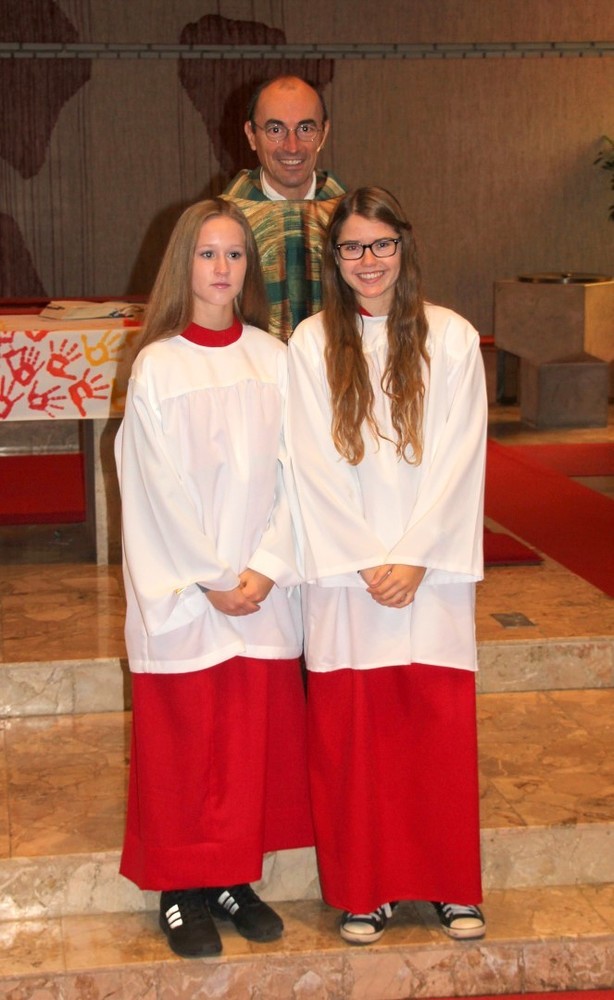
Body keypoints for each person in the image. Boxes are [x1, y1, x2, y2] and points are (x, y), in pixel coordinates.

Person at [285, 187, 487, 945]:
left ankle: (450, 886)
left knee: (435, 730)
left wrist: (417, 556)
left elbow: (463, 454)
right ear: (333, 259)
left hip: (430, 575)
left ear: (404, 245)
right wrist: (370, 559)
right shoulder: (310, 344)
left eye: (381, 244)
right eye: (352, 247)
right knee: (355, 740)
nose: (368, 261)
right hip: (349, 578)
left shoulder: (452, 337)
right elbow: (308, 460)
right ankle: (363, 891)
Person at [115, 197, 312, 959]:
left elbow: (301, 475)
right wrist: (210, 577)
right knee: (185, 743)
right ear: (183, 265)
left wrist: (265, 568)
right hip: (188, 596)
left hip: (261, 591)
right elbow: (152, 486)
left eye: (234, 254)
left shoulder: (275, 359)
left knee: (245, 743)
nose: (222, 268)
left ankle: (233, 877)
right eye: (207, 253)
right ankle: (179, 888)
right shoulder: (160, 366)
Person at [224, 74, 346, 341]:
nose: (292, 147)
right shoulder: (220, 223)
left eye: (305, 129)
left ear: (323, 133)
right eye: (276, 130)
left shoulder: (353, 219)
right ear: (251, 135)